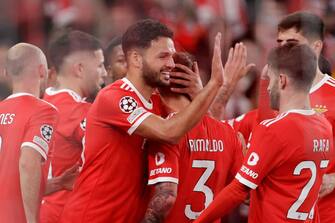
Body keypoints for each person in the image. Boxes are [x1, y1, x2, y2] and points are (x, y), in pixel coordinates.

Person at [60, 19, 225, 223]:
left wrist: (199, 92)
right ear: (136, 59)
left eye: (172, 57)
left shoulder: (157, 102)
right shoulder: (115, 97)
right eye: (163, 56)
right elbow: (169, 132)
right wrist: (215, 85)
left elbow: (206, 128)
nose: (171, 64)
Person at [195, 43, 334, 223]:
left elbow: (238, 190)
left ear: (282, 80)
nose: (268, 88)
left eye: (270, 79)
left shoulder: (274, 130)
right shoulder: (324, 127)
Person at [142, 50, 247, 223]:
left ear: (157, 86)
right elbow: (244, 194)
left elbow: (166, 198)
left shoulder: (166, 132)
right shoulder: (228, 133)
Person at [40, 30, 106, 223]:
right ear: (80, 69)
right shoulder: (79, 111)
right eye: (100, 65)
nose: (104, 72)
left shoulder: (44, 100)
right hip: (62, 213)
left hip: (38, 209)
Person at [0, 43, 58, 223]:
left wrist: (58, 183)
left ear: (5, 73)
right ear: (42, 71)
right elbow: (28, 163)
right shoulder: (43, 111)